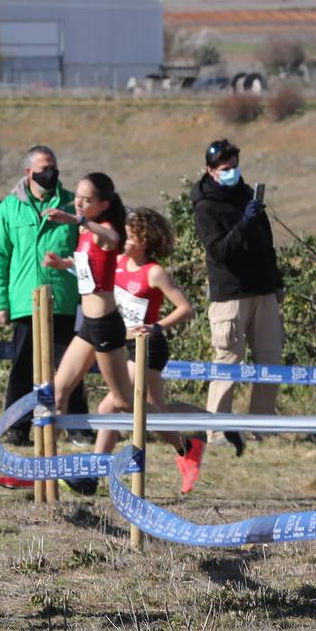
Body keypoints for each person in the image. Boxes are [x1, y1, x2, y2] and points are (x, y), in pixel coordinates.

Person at [0, 146, 91, 456]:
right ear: (28, 172)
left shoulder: (71, 203)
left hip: (64, 301)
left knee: (70, 366)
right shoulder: (9, 208)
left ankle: (77, 426)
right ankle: (17, 427)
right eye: (44, 168)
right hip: (24, 303)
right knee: (22, 368)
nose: (51, 173)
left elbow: (87, 248)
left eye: (54, 167)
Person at [96, 208, 206, 494]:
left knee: (110, 405)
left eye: (130, 237)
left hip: (148, 346)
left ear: (144, 240)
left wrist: (156, 326)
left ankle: (91, 474)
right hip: (124, 344)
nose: (125, 241)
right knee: (155, 414)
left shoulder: (154, 272)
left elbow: (186, 309)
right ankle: (187, 448)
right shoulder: (119, 262)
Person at [39, 172, 133, 496]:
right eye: (77, 197)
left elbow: (112, 239)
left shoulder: (104, 230)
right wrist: (62, 263)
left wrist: (75, 218)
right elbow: (88, 267)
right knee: (57, 392)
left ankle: (176, 433)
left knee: (122, 402)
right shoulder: (84, 231)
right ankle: (53, 467)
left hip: (106, 324)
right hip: (87, 327)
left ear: (103, 204)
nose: (78, 202)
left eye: (86, 199)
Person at [193, 139, 283, 453]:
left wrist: (276, 281)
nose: (232, 172)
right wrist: (244, 222)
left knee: (270, 359)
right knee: (229, 359)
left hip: (263, 290)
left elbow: (267, 242)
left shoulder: (246, 195)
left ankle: (263, 426)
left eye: (234, 166)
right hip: (230, 294)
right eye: (225, 168)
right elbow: (218, 250)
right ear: (210, 171)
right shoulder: (205, 206)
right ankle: (216, 429)